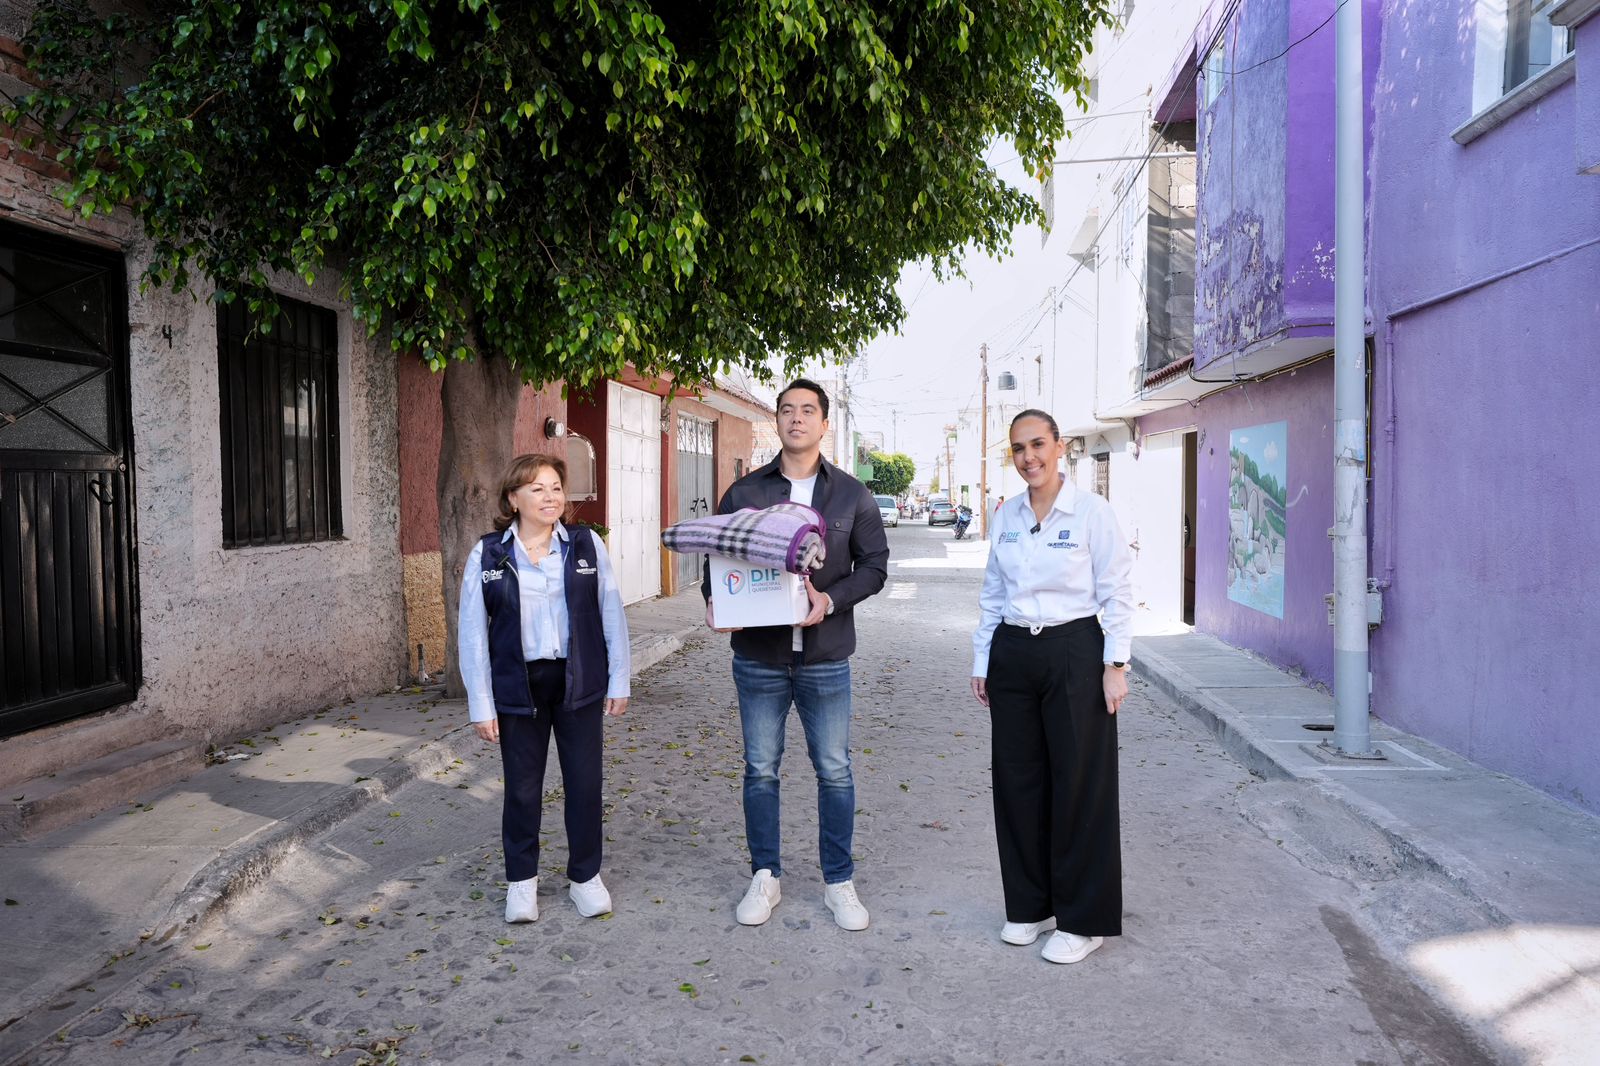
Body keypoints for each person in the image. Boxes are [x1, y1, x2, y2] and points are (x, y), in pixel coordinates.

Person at [703, 378, 890, 931]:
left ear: (824, 423)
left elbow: (875, 567)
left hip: (826, 657)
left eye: (808, 410)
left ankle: (839, 881)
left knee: (834, 769)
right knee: (760, 769)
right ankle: (765, 875)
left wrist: (830, 600)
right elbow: (716, 558)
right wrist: (718, 604)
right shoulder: (744, 494)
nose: (797, 419)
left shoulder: (852, 495)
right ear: (778, 421)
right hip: (758, 656)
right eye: (787, 410)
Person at [970, 410, 1133, 964]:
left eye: (1038, 445)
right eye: (1018, 449)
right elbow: (994, 590)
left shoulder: (1092, 513)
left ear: (1059, 447)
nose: (1029, 457)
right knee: (1017, 784)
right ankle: (1030, 906)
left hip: (1074, 650)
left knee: (1079, 785)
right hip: (1015, 654)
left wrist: (1116, 663)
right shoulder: (1008, 515)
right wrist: (982, 657)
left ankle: (1083, 920)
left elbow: (1117, 591)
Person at [458, 453, 632, 924]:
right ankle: (522, 883)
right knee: (522, 789)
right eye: (537, 488)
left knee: (584, 784)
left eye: (556, 486)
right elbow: (473, 632)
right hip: (519, 686)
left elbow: (610, 613)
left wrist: (620, 678)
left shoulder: (586, 545)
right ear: (513, 498)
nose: (550, 496)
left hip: (579, 681)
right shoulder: (489, 554)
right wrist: (481, 703)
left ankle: (585, 877)